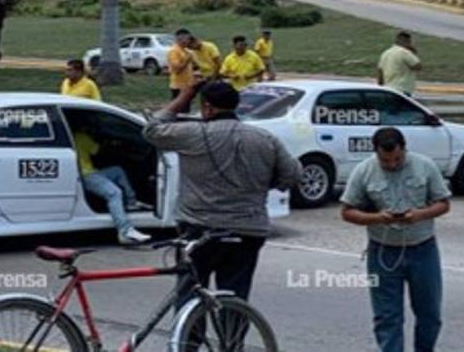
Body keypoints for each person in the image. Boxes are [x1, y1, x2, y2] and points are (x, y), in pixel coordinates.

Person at [143, 81, 301, 301]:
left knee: (191, 292)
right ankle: (233, 335)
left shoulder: (192, 134)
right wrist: (261, 184)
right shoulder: (264, 138)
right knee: (235, 294)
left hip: (198, 227)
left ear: (207, 107)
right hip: (248, 229)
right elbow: (292, 175)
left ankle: (190, 335)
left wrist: (185, 95)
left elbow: (152, 130)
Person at [340, 127, 451, 352]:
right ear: (376, 153)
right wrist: (377, 217)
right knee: (387, 316)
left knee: (430, 314)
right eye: (385, 160)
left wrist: (420, 214)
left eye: (397, 159)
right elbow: (347, 211)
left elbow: (444, 203)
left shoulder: (425, 166)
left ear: (404, 149)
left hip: (423, 249)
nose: (392, 164)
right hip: (383, 252)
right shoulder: (364, 171)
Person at [73, 117, 150, 245]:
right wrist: (112, 143)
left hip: (90, 172)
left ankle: (131, 202)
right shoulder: (82, 137)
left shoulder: (73, 137)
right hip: (86, 175)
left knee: (117, 170)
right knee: (114, 193)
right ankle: (125, 231)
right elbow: (99, 150)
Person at [378, 31, 423, 96]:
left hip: (388, 89)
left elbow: (380, 73)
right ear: (406, 41)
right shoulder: (404, 52)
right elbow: (418, 67)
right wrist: (413, 53)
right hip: (401, 90)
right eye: (409, 42)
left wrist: (381, 88)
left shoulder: (385, 53)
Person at [166, 28, 196, 99]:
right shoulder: (174, 51)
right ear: (181, 39)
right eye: (187, 39)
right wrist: (187, 60)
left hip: (187, 85)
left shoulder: (185, 51)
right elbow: (177, 70)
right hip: (178, 86)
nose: (189, 41)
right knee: (180, 108)